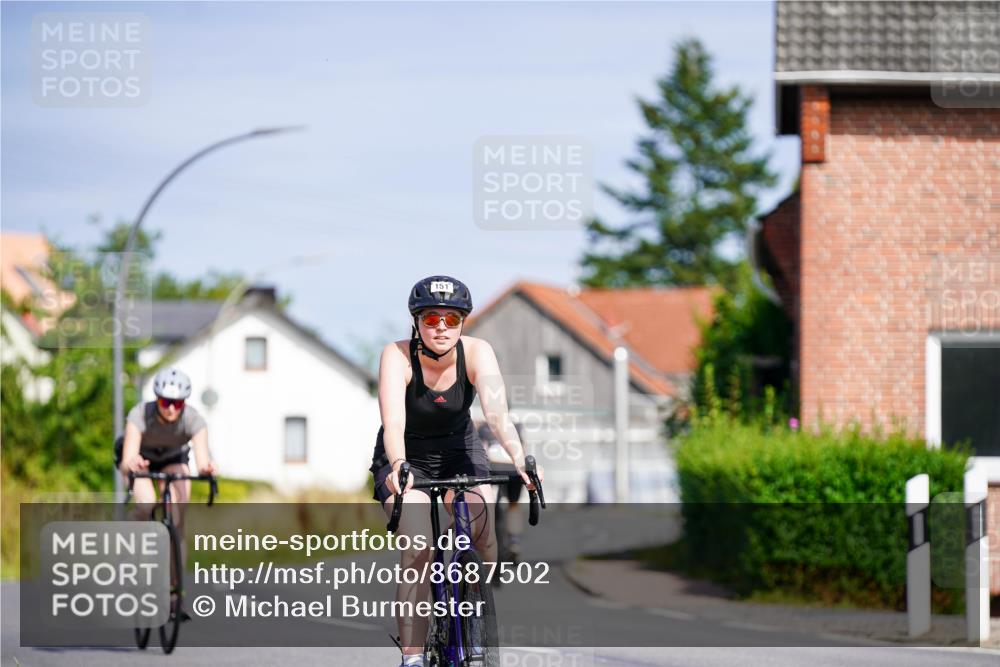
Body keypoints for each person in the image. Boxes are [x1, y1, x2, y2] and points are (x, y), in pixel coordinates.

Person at [369, 275, 543, 667]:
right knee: (418, 549)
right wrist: (399, 466)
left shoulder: (478, 352)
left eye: (452, 319)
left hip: (459, 450)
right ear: (416, 322)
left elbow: (498, 415)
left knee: (482, 532)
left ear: (464, 321)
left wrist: (518, 457)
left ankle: (472, 604)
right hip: (404, 454)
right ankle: (412, 658)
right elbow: (393, 423)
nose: (442, 328)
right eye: (431, 319)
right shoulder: (396, 355)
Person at [116, 367, 218, 615]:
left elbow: (202, 459)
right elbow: (128, 457)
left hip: (173, 458)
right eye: (165, 401)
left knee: (178, 519)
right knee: (147, 503)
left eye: (177, 403)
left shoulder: (194, 419)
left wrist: (208, 469)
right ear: (156, 399)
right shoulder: (140, 414)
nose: (171, 408)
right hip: (140, 461)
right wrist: (134, 464)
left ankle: (175, 592)